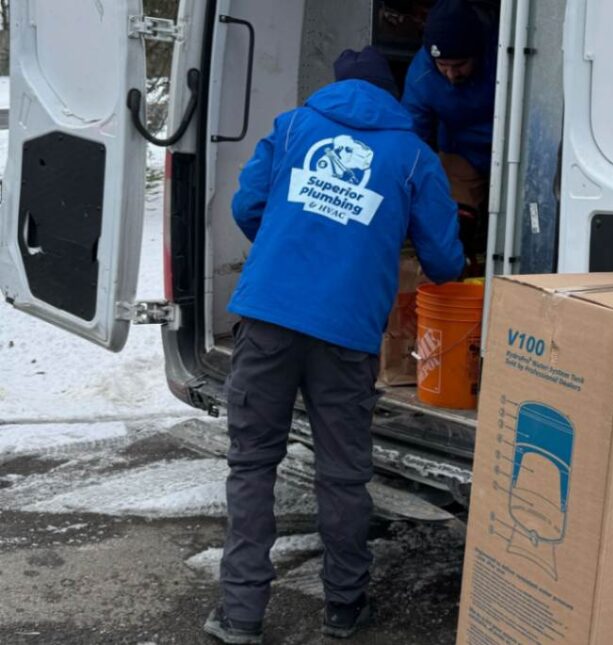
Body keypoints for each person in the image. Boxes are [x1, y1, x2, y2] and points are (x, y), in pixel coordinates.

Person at [202, 47, 465, 644]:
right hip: (346, 336)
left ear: (336, 86)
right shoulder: (413, 156)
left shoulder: (294, 126)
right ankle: (345, 608)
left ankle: (240, 616)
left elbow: (248, 207)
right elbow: (446, 261)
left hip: (267, 321)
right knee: (342, 476)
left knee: (251, 467)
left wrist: (296, 238)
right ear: (391, 93)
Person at [402, 0, 497, 264]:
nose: (451, 74)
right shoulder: (422, 74)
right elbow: (412, 136)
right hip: (461, 150)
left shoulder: (504, 56)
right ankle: (459, 273)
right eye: (443, 64)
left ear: (477, 53)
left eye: (460, 64)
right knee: (456, 224)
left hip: (514, 149)